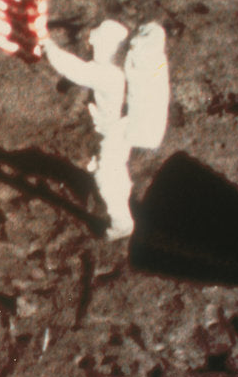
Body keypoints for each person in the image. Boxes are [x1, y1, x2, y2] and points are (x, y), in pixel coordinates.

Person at [40, 18, 169, 240]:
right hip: (122, 126)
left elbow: (74, 69)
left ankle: (122, 223)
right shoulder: (116, 67)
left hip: (116, 132)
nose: (90, 41)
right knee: (113, 166)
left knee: (106, 176)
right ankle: (122, 189)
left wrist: (47, 44)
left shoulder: (108, 75)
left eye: (95, 39)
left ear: (107, 45)